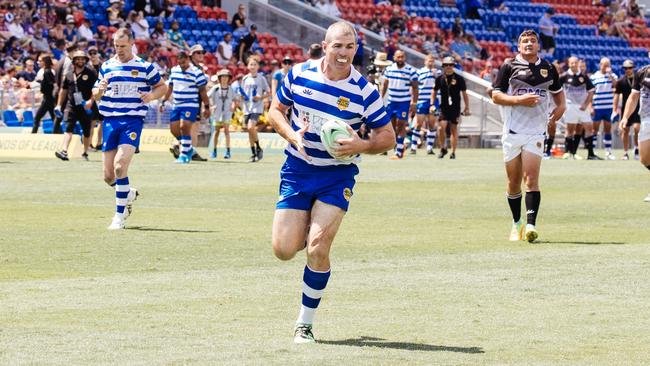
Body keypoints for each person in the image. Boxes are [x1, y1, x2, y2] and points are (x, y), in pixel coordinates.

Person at [267, 21, 395, 344]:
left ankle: (304, 324)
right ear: (325, 46)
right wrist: (291, 134)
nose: (343, 53)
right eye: (337, 46)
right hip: (297, 170)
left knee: (317, 247)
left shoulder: (364, 91)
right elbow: (275, 111)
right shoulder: (299, 75)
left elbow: (387, 137)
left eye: (349, 47)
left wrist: (361, 145)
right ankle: (306, 224)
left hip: (337, 176)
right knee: (283, 250)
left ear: (356, 50)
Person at [492, 29, 566, 242]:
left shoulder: (549, 68)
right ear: (518, 46)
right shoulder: (509, 66)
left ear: (538, 46)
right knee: (513, 182)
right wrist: (518, 101)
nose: (528, 44)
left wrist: (556, 115)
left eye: (532, 41)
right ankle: (517, 223)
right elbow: (496, 95)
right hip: (512, 132)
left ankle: (532, 225)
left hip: (536, 132)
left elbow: (560, 99)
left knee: (531, 179)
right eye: (524, 41)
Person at [92, 28, 166, 230]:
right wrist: (99, 91)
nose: (119, 49)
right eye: (116, 45)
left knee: (120, 165)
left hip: (132, 120)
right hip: (110, 121)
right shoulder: (107, 66)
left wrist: (151, 96)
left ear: (132, 44)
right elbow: (96, 93)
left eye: (123, 46)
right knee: (108, 176)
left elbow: (162, 86)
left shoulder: (144, 67)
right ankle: (128, 193)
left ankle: (119, 216)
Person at [160, 51, 210, 164]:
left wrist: (207, 107)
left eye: (184, 62)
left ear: (188, 59)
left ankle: (184, 155)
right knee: (174, 129)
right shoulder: (174, 70)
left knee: (184, 127)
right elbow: (170, 87)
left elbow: (203, 91)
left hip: (190, 104)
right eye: (180, 63)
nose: (182, 65)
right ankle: (189, 149)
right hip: (176, 104)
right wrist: (164, 101)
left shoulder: (197, 72)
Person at [54, 51, 98, 161]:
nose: (80, 61)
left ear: (85, 60)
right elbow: (63, 91)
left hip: (86, 107)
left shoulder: (91, 73)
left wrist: (91, 101)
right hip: (71, 106)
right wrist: (59, 105)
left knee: (86, 131)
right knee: (68, 128)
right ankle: (64, 151)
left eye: (82, 59)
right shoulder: (69, 74)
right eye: (78, 59)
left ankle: (85, 153)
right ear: (74, 60)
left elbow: (96, 89)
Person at [620, 61, 650, 201]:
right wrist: (625, 117)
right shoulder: (641, 73)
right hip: (645, 118)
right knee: (644, 159)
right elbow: (633, 98)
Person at [560, 56, 600, 160]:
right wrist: (562, 103)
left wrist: (586, 104)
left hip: (583, 108)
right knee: (570, 130)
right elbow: (556, 91)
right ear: (568, 64)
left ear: (578, 63)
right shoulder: (564, 76)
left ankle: (590, 154)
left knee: (588, 128)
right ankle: (569, 153)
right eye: (571, 63)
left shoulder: (584, 76)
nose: (573, 65)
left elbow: (591, 91)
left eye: (575, 63)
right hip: (570, 107)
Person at [380, 50, 418, 159]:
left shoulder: (410, 70)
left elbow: (415, 88)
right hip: (391, 102)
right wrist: (380, 98)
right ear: (394, 58)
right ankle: (395, 146)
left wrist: (414, 102)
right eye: (398, 57)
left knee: (401, 124)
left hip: (403, 102)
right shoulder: (389, 69)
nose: (400, 59)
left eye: (402, 57)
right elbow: (385, 85)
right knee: (391, 127)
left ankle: (399, 151)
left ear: (404, 57)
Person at [433, 56, 470, 159]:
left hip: (455, 108)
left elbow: (464, 94)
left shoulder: (459, 78)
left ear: (454, 66)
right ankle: (443, 148)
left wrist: (467, 107)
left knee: (454, 129)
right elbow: (434, 91)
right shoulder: (439, 78)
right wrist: (432, 104)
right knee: (441, 127)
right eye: (446, 65)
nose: (448, 67)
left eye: (451, 65)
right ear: (443, 66)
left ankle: (453, 152)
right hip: (443, 107)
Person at [238, 55, 270, 162]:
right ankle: (253, 153)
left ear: (258, 66)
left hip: (257, 107)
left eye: (254, 64)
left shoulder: (261, 78)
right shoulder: (245, 78)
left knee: (251, 127)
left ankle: (259, 148)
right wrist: (242, 96)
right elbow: (241, 92)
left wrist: (260, 97)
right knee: (249, 130)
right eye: (250, 64)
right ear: (247, 66)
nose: (252, 66)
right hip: (247, 108)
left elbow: (268, 92)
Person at [412, 54, 440, 155]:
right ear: (425, 61)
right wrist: (414, 101)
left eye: (432, 61)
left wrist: (436, 75)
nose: (431, 62)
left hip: (433, 102)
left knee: (432, 124)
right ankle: (413, 147)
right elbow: (415, 87)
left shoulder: (438, 72)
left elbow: (440, 84)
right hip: (421, 101)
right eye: (429, 61)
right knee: (419, 124)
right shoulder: (419, 72)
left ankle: (429, 148)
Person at [590, 57, 618, 159]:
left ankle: (608, 152)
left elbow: (616, 85)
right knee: (594, 130)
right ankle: (592, 151)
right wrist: (591, 106)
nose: (606, 67)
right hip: (597, 106)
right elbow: (591, 92)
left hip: (608, 107)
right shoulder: (594, 77)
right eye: (604, 65)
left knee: (607, 129)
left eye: (608, 65)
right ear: (600, 65)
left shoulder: (612, 75)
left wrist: (610, 75)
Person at [614, 60, 641, 160]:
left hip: (638, 108)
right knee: (625, 130)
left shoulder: (638, 79)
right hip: (626, 109)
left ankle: (637, 149)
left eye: (629, 68)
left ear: (633, 68)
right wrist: (614, 109)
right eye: (625, 68)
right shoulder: (621, 81)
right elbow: (616, 96)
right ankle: (625, 152)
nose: (628, 70)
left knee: (637, 128)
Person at [208, 70, 237, 159]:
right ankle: (214, 150)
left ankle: (228, 151)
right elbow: (208, 96)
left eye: (226, 77)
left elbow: (235, 99)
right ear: (219, 78)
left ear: (229, 78)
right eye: (222, 77)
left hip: (227, 113)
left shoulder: (230, 89)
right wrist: (212, 105)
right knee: (216, 132)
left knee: (226, 131)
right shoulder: (216, 88)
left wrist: (233, 106)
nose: (224, 79)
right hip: (218, 113)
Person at [32, 55, 56, 134]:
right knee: (54, 118)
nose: (39, 63)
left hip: (47, 99)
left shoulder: (47, 72)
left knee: (37, 118)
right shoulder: (48, 71)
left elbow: (50, 84)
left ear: (45, 62)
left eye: (41, 61)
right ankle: (59, 133)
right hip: (49, 99)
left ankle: (33, 134)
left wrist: (41, 84)